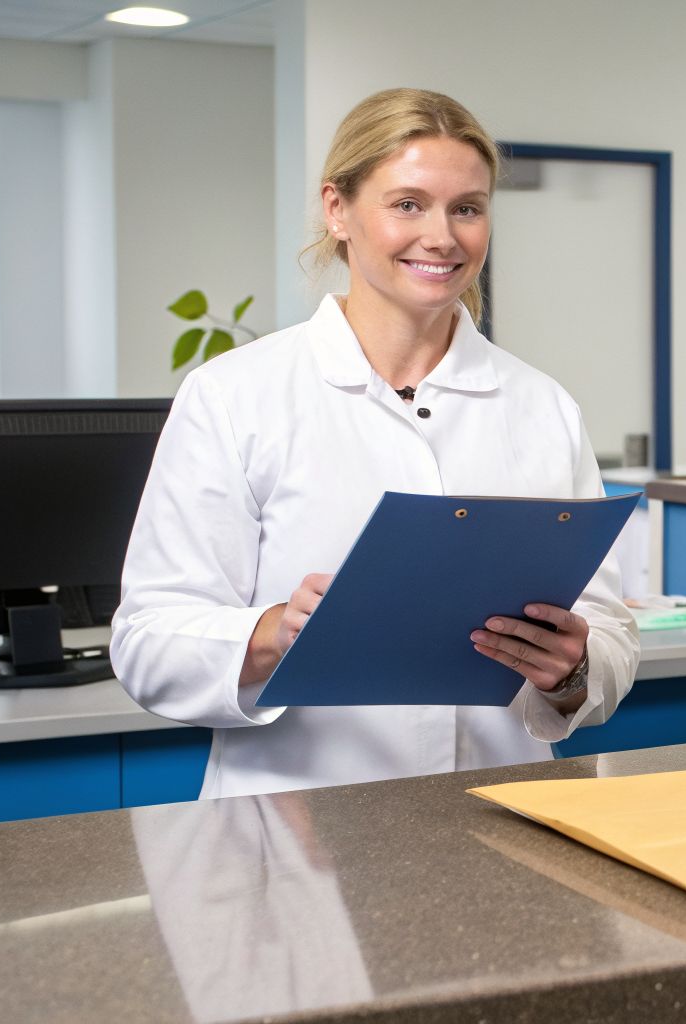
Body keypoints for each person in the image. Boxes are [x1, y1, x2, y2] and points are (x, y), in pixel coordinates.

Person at [111, 88, 638, 800]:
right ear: (338, 210)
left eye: (468, 208)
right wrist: (274, 634)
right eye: (408, 204)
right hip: (296, 836)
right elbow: (147, 642)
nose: (442, 236)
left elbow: (604, 628)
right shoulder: (235, 396)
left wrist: (574, 670)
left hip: (497, 817)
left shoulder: (541, 407)